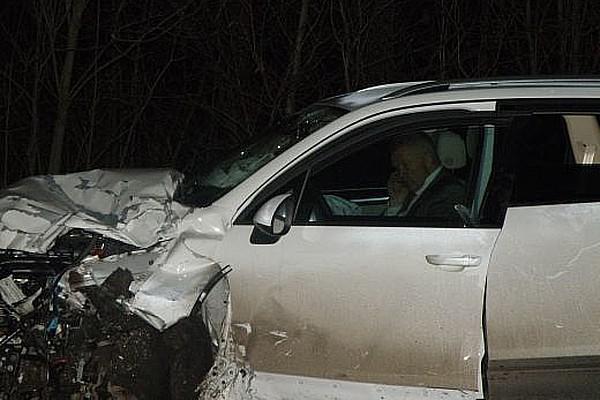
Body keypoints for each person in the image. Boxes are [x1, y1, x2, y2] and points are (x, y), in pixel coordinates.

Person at [386, 133, 466, 220]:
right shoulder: (416, 191)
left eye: (406, 165)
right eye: (397, 168)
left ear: (428, 160)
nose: (401, 174)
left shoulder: (449, 194)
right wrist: (397, 204)